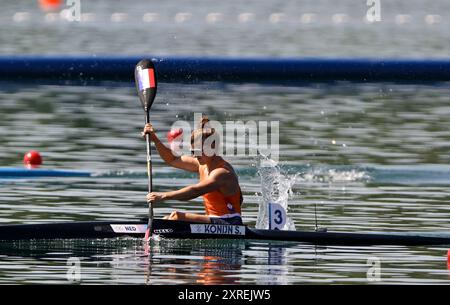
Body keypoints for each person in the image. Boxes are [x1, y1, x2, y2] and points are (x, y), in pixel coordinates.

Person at [142, 116, 243, 225]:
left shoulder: (222, 172)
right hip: (214, 219)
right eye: (193, 151)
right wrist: (154, 139)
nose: (195, 155)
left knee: (176, 217)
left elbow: (195, 191)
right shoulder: (202, 164)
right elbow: (172, 159)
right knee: (167, 219)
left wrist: (163, 196)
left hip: (230, 221)